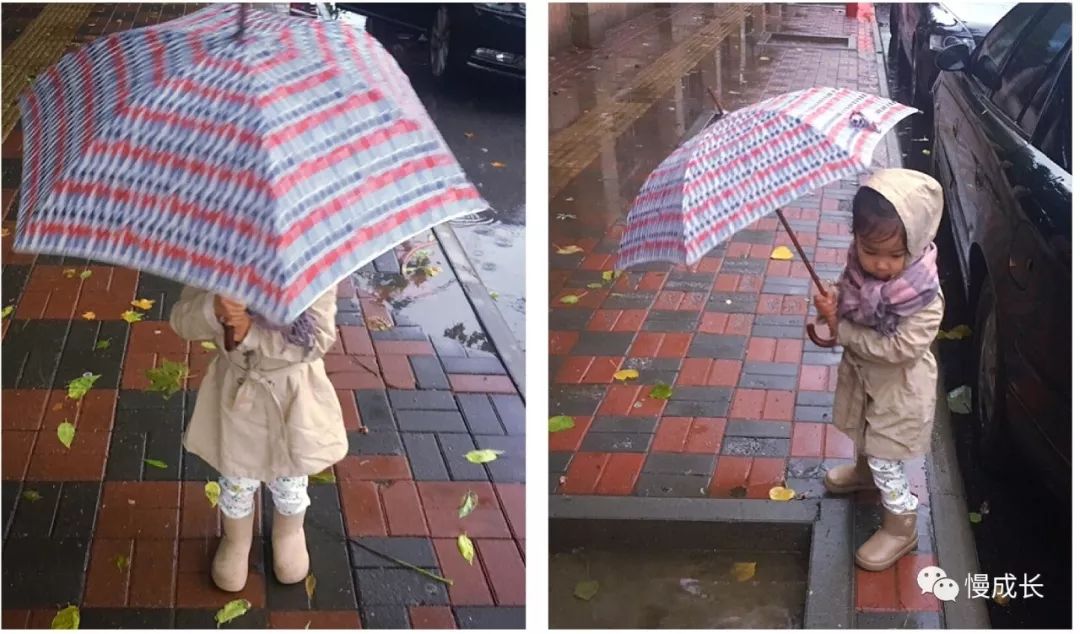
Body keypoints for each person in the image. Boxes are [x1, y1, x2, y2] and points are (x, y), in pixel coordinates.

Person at [169, 286, 347, 591]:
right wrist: (213, 308)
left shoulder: (310, 272)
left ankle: (288, 533)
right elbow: (181, 321)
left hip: (292, 398)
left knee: (290, 475)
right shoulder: (218, 267)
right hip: (237, 395)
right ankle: (236, 539)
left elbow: (316, 340)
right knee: (237, 477)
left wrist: (251, 332)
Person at [811, 168, 944, 571]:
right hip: (866, 380)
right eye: (871, 251)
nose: (881, 265)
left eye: (894, 255)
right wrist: (832, 303)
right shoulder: (857, 270)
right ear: (856, 239)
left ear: (916, 245)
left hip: (900, 388)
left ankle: (901, 524)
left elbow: (900, 349)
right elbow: (847, 299)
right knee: (865, 432)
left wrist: (844, 329)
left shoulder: (924, 296)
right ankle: (864, 473)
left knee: (887, 452)